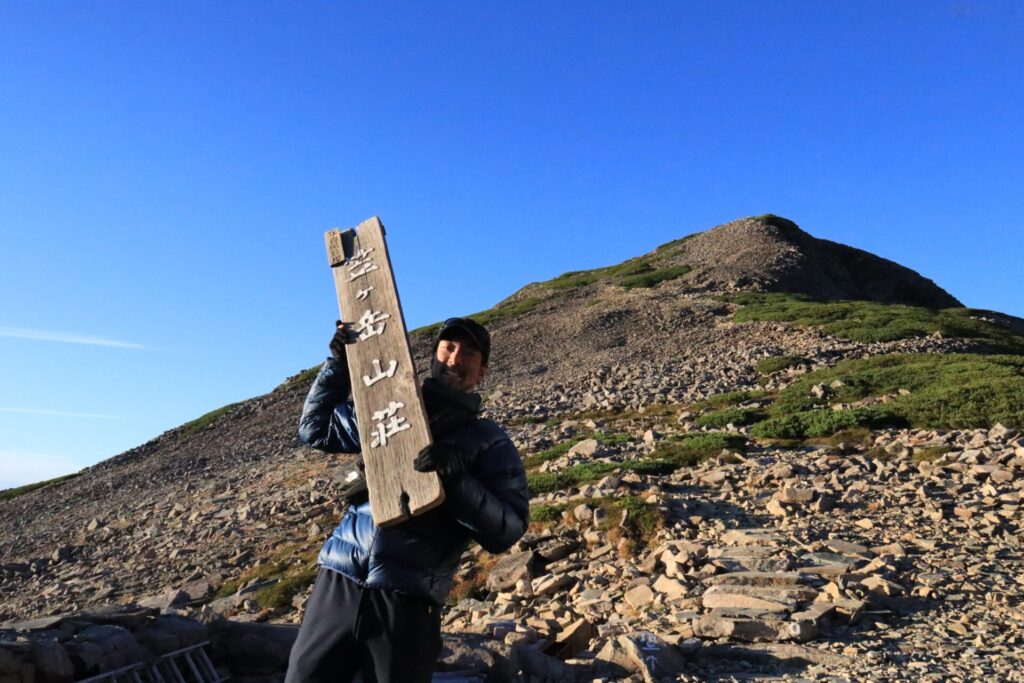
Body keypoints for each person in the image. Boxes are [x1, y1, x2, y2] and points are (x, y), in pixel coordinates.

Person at [285, 317, 529, 683]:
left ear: (482, 372)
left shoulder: (489, 440)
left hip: (408, 600)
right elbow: (315, 428)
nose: (455, 358)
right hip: (339, 580)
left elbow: (508, 529)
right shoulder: (390, 409)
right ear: (432, 357)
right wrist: (338, 366)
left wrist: (455, 481)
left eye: (470, 353)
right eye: (448, 347)